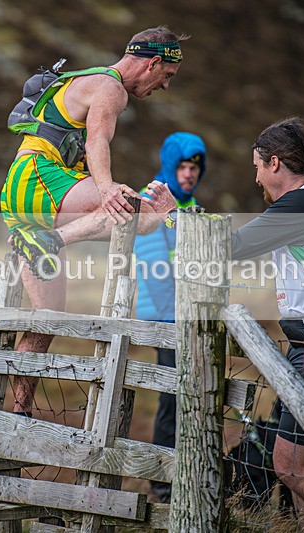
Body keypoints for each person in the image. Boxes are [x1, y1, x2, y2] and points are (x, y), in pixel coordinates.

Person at [146, 117, 304, 532]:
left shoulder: (300, 203)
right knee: (303, 465)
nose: (255, 179)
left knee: (290, 466)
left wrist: (173, 215)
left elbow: (231, 246)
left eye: (256, 167)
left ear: (274, 163)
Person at [1, 26, 188, 416]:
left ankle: (20, 410)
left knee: (47, 320)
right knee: (141, 216)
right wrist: (106, 190)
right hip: (39, 178)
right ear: (153, 63)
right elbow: (96, 140)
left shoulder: (86, 80)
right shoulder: (110, 87)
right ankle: (50, 240)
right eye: (167, 75)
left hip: (19, 190)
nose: (165, 86)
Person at [133, 132, 206, 503]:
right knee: (173, 397)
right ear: (170, 164)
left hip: (188, 316)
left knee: (191, 397)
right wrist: (174, 315)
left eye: (195, 167)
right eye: (183, 166)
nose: (190, 173)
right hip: (167, 318)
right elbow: (153, 264)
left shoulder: (189, 205)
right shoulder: (152, 201)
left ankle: (186, 476)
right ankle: (163, 484)